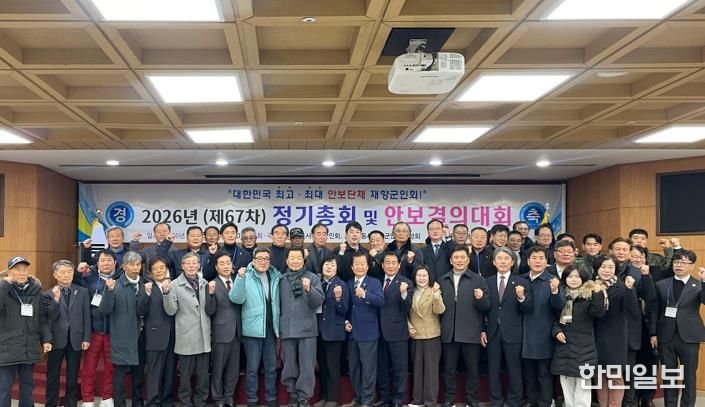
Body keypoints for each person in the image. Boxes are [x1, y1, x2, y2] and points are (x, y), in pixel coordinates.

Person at [649, 250, 705, 407]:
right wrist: (653, 333)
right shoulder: (661, 284)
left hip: (689, 337)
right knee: (670, 376)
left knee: (689, 376)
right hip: (666, 336)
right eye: (676, 262)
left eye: (683, 262)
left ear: (691, 266)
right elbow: (654, 310)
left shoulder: (698, 285)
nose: (679, 265)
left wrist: (704, 281)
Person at [438, 245, 490, 407]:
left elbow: (486, 307)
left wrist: (481, 298)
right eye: (456, 258)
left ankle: (472, 399)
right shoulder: (442, 280)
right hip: (449, 332)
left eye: (462, 257)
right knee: (449, 369)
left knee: (472, 369)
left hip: (471, 331)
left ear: (468, 260)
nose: (459, 260)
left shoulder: (478, 280)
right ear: (450, 261)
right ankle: (449, 398)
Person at [163, 252, 217, 407]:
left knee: (203, 376)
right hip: (186, 336)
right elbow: (171, 311)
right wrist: (166, 293)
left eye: (195, 263)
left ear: (199, 265)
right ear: (182, 266)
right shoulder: (174, 285)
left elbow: (209, 309)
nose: (192, 266)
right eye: (188, 263)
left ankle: (200, 402)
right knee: (185, 376)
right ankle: (185, 402)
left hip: (204, 335)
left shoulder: (205, 283)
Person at [230, 247, 281, 407]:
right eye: (260, 258)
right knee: (252, 368)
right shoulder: (246, 275)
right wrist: (240, 278)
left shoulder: (275, 275)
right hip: (252, 330)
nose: (263, 261)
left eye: (266, 258)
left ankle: (271, 398)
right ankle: (252, 399)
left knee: (271, 368)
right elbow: (236, 298)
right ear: (253, 260)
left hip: (271, 329)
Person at [550, 265, 606, 407]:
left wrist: (598, 294)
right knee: (566, 383)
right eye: (570, 276)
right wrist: (556, 331)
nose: (573, 279)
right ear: (565, 278)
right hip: (564, 346)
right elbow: (553, 318)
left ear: (583, 279)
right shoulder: (560, 295)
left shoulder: (589, 295)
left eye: (577, 276)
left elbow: (598, 313)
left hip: (584, 347)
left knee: (583, 384)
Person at [482, 247, 531, 407]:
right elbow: (482, 309)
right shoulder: (487, 281)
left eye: (506, 259)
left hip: (513, 332)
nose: (503, 262)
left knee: (514, 368)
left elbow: (528, 308)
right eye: (499, 259)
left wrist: (521, 297)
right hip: (492, 332)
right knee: (493, 368)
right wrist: (482, 330)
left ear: (512, 262)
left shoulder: (522, 282)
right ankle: (496, 401)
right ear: (494, 262)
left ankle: (515, 400)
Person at [0, 256, 51, 407]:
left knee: (28, 388)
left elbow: (42, 318)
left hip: (29, 348)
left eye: (25, 270)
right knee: (4, 389)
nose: (22, 273)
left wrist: (46, 339)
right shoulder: (3, 289)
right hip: (7, 349)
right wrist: (4, 285)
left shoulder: (35, 291)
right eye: (17, 270)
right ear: (9, 272)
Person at [99, 251, 146, 407]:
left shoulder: (145, 284)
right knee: (120, 373)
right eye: (132, 264)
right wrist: (109, 291)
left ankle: (137, 403)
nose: (136, 267)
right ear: (124, 266)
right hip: (122, 335)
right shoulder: (115, 284)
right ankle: (119, 403)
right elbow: (104, 310)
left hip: (141, 335)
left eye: (138, 264)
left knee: (139, 373)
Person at [521, 246, 565, 407]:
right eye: (534, 258)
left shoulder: (552, 280)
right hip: (523, 333)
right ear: (528, 261)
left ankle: (545, 401)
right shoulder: (521, 279)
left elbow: (560, 305)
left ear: (547, 262)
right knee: (528, 372)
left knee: (543, 372)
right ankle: (530, 400)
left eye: (541, 258)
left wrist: (555, 291)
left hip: (543, 333)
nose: (537, 261)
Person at [280, 248, 325, 407]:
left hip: (307, 330)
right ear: (287, 261)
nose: (295, 261)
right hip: (287, 328)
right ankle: (293, 395)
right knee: (289, 365)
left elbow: (318, 301)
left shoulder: (312, 277)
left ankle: (304, 397)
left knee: (307, 366)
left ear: (303, 260)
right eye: (292, 258)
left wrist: (309, 289)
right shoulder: (281, 279)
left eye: (298, 258)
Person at [593, 254, 639, 407]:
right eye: (603, 267)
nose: (606, 270)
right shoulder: (590, 285)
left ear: (616, 269)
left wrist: (629, 289)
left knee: (615, 376)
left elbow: (633, 311)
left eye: (610, 267)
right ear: (597, 268)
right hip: (594, 337)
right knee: (600, 376)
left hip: (615, 337)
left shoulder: (622, 287)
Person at [43, 260, 91, 407]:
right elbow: (49, 317)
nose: (66, 275)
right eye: (62, 272)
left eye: (69, 272)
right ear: (55, 275)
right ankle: (50, 404)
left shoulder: (82, 292)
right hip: (56, 339)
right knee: (53, 376)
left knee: (72, 376)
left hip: (76, 339)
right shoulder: (48, 294)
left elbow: (86, 316)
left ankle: (71, 404)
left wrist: (86, 337)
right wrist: (56, 299)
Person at [75, 250, 120, 407]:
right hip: (93, 329)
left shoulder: (121, 277)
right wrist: (78, 273)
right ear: (97, 263)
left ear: (115, 262)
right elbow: (75, 286)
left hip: (113, 331)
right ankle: (87, 399)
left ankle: (107, 397)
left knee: (111, 367)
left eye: (109, 260)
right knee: (89, 367)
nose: (106, 263)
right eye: (102, 260)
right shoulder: (89, 277)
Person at [344, 252, 384, 407]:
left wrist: (365, 294)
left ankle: (367, 400)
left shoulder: (374, 282)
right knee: (353, 368)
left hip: (368, 333)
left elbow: (380, 300)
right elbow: (347, 308)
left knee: (368, 369)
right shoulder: (348, 283)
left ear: (367, 267)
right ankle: (358, 397)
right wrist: (346, 321)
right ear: (352, 267)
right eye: (357, 264)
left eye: (363, 264)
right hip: (352, 333)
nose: (360, 267)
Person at [136, 257, 176, 407]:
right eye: (155, 269)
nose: (159, 271)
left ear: (167, 270)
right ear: (151, 273)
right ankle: (153, 401)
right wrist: (146, 295)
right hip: (154, 336)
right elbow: (140, 311)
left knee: (169, 371)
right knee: (154, 372)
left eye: (162, 268)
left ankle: (167, 401)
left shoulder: (173, 285)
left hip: (173, 336)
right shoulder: (147, 287)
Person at [375, 252, 414, 407]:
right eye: (387, 262)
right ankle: (384, 397)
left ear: (399, 265)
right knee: (382, 367)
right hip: (378, 331)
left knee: (400, 368)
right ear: (382, 265)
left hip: (398, 331)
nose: (390, 266)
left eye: (393, 263)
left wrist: (403, 293)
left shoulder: (406, 283)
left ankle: (398, 399)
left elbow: (407, 307)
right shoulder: (376, 281)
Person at [408, 266, 445, 407]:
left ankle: (430, 402)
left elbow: (440, 310)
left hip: (432, 335)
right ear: (414, 277)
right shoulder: (410, 291)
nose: (422, 278)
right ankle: (417, 400)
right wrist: (408, 326)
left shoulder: (434, 291)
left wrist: (436, 296)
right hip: (415, 335)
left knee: (431, 370)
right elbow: (404, 312)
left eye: (424, 275)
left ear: (429, 277)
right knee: (417, 369)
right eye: (419, 275)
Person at [316, 254, 350, 407]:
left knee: (332, 367)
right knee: (322, 366)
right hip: (319, 331)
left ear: (337, 269)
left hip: (334, 332)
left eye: (332, 265)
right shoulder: (318, 282)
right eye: (326, 264)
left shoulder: (341, 285)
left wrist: (338, 298)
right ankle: (323, 396)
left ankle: (333, 398)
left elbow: (344, 310)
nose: (328, 267)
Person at [210, 251, 243, 407]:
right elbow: (209, 310)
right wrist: (210, 294)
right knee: (218, 368)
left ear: (232, 266)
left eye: (228, 263)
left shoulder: (239, 281)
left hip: (237, 332)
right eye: (221, 263)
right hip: (220, 333)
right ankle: (218, 397)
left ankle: (229, 396)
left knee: (233, 369)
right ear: (216, 267)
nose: (225, 266)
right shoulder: (212, 284)